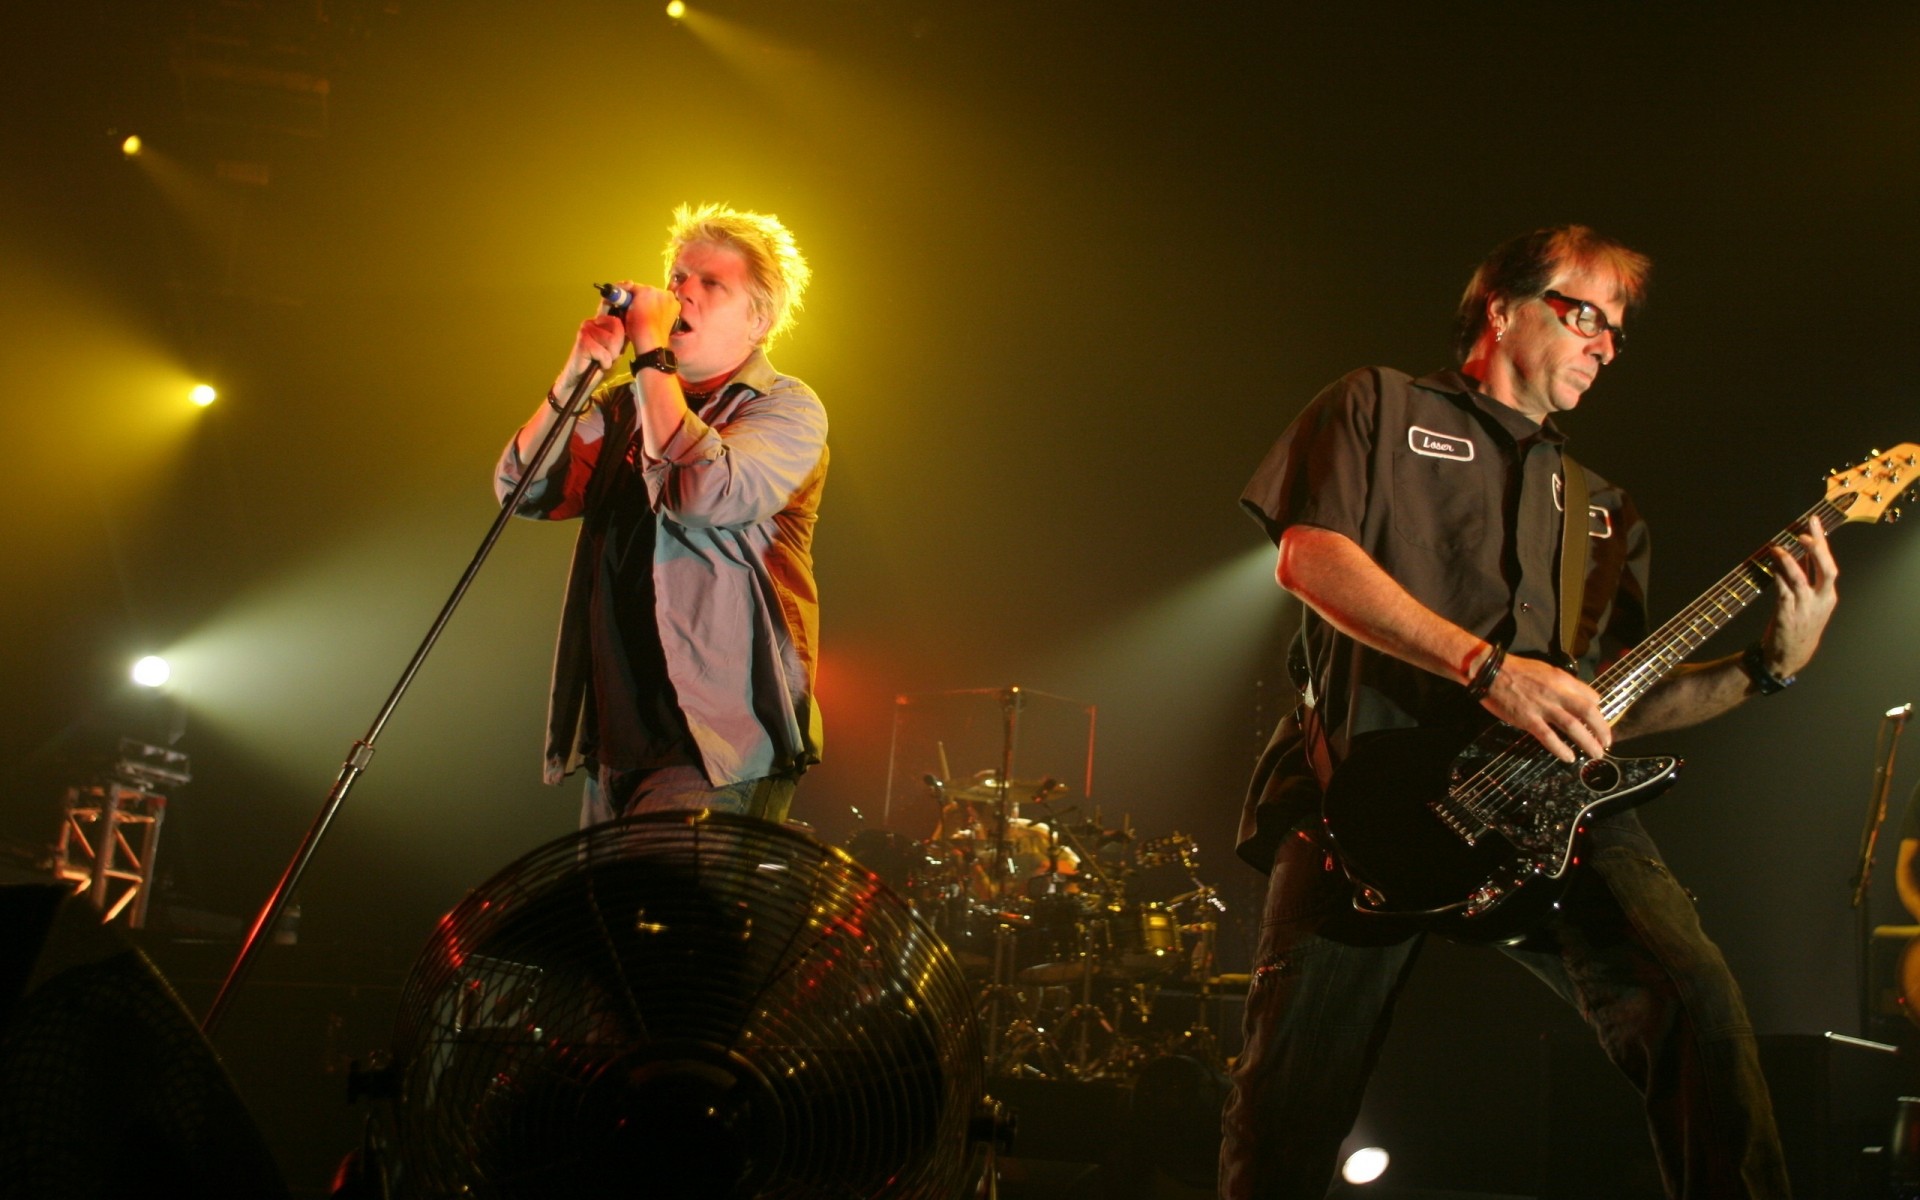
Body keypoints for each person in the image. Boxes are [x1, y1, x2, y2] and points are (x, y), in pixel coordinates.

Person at [1219, 225, 1839, 1199]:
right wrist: (1487, 669)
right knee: (1286, 1117)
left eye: (1618, 333)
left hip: (1555, 808)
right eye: (1587, 313)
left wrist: (1769, 668)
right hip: (1364, 803)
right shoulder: (1374, 406)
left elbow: (1614, 707)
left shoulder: (1606, 509)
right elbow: (1310, 559)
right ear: (1501, 305)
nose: (1605, 344)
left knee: (1700, 1009)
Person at [494, 203, 826, 829]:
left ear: (758, 319)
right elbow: (524, 490)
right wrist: (577, 372)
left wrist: (650, 356)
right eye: (677, 277)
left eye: (710, 283)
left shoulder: (785, 409)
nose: (681, 293)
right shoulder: (622, 404)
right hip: (615, 743)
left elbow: (699, 493)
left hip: (715, 748)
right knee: (610, 927)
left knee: (675, 919)